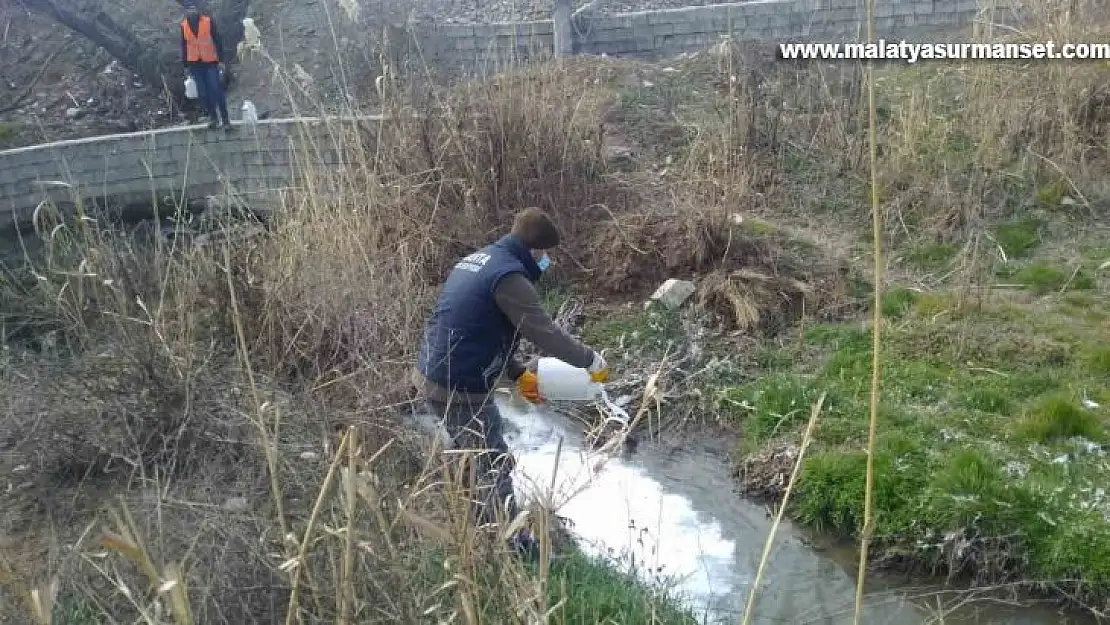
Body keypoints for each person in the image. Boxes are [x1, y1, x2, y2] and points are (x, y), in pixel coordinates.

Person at [413, 208, 609, 555]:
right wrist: (589, 360)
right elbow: (545, 333)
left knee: (472, 454)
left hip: (436, 372)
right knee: (494, 461)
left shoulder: (480, 260)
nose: (547, 261)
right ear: (534, 249)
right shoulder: (509, 279)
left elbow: (479, 328)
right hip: (458, 385)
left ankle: (476, 528)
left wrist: (517, 373)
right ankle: (514, 545)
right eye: (546, 254)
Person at [180, 0, 234, 131]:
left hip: (210, 62)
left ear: (198, 9)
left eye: (193, 8)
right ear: (186, 11)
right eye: (189, 9)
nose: (191, 11)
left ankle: (226, 120)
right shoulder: (183, 26)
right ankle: (213, 118)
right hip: (195, 65)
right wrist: (185, 66)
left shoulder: (208, 21)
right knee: (203, 93)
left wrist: (221, 60)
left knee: (215, 90)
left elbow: (218, 40)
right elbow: (184, 46)